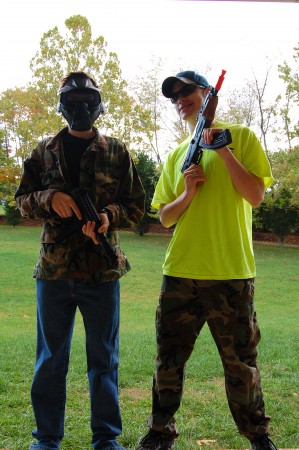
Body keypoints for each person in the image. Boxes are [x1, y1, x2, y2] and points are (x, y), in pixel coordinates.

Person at [136, 70, 278, 450]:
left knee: (241, 364)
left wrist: (222, 149)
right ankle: (159, 432)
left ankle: (258, 436)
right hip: (180, 273)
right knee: (168, 361)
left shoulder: (242, 137)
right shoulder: (175, 155)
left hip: (231, 273)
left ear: (206, 93)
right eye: (175, 96)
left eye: (187, 91)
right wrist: (188, 190)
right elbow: (166, 217)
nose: (180, 99)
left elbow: (254, 195)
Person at [15, 71, 145, 450]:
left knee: (103, 359)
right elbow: (21, 200)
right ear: (61, 105)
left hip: (101, 272)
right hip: (53, 270)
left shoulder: (117, 151)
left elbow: (136, 206)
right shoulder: (43, 152)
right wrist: (48, 198)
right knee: (50, 360)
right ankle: (47, 438)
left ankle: (106, 439)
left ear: (99, 103)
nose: (81, 108)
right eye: (73, 101)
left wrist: (109, 217)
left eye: (88, 100)